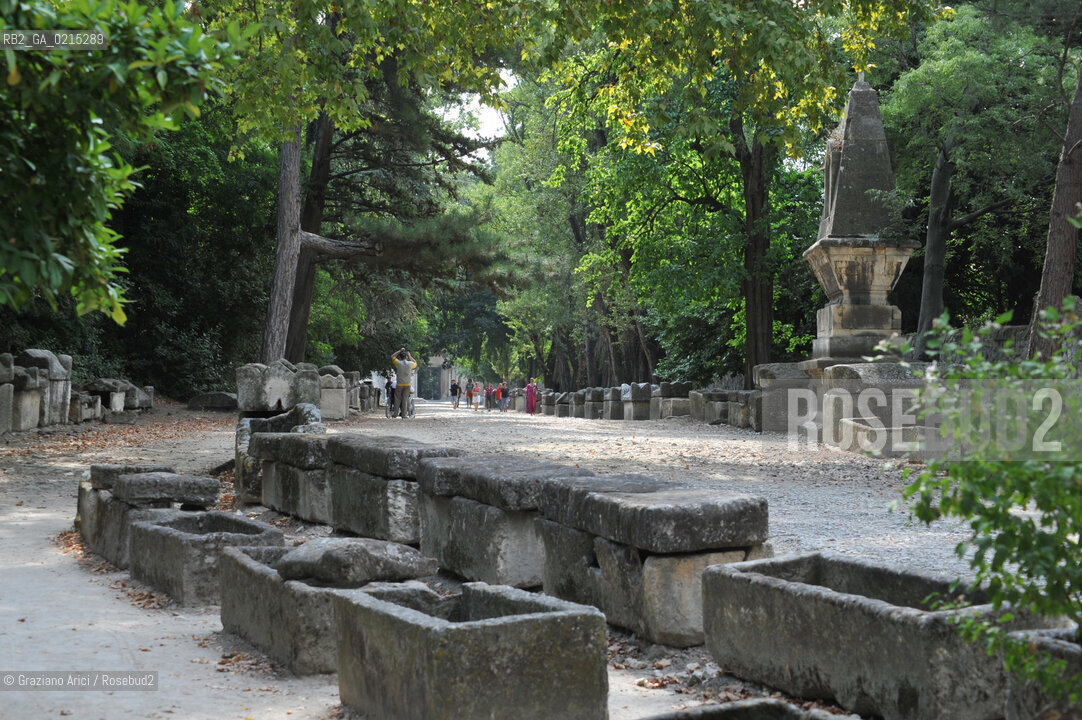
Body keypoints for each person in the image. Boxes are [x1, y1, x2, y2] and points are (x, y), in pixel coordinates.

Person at [391, 348, 417, 419]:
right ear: (406, 357)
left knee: (397, 399)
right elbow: (415, 362)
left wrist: (399, 350)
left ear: (400, 357)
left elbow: (392, 356)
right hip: (407, 384)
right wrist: (410, 356)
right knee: (405, 399)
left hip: (399, 384)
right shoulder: (410, 364)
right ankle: (404, 415)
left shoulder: (398, 363)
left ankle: (395, 414)